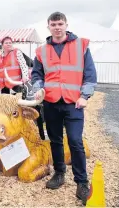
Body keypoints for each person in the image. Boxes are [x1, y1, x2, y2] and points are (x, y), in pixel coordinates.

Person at [31, 12, 97, 205]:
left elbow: (90, 74)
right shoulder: (41, 51)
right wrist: (38, 89)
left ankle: (82, 182)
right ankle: (59, 173)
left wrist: (85, 96)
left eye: (60, 24)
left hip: (74, 102)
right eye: (53, 24)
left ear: (66, 25)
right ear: (48, 27)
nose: (57, 27)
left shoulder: (81, 46)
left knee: (76, 141)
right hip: (51, 102)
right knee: (55, 141)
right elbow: (36, 75)